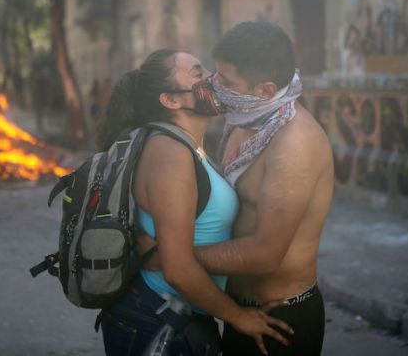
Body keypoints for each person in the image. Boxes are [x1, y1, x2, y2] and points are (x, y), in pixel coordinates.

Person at [142, 22, 334, 355]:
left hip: (280, 319)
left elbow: (265, 255)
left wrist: (172, 259)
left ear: (264, 89)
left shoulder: (295, 144)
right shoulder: (244, 119)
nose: (215, 85)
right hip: (240, 312)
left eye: (226, 81)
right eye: (215, 74)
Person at [98, 49, 292, 356]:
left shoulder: (188, 146)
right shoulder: (170, 154)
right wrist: (239, 316)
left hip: (179, 315)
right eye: (198, 74)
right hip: (157, 319)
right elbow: (177, 269)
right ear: (171, 100)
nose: (212, 80)